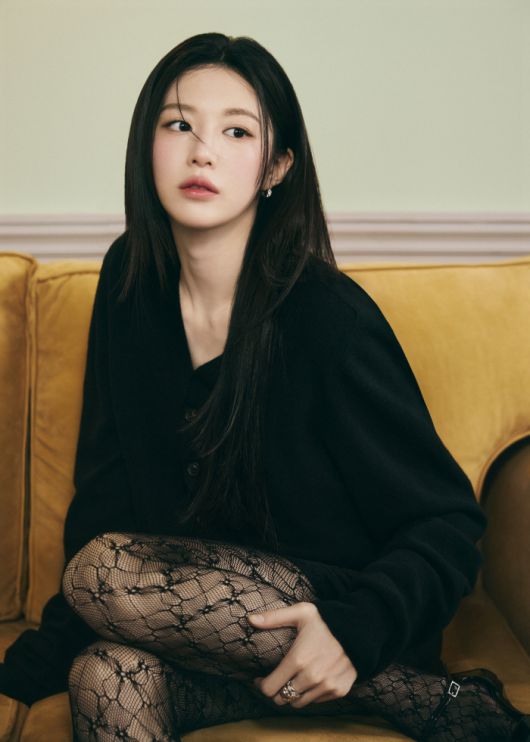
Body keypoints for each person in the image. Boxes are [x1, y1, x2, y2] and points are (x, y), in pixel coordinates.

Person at [1, 32, 529, 742]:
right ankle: (413, 698)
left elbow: (447, 523)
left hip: (339, 623)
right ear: (146, 145)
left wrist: (355, 632)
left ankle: (411, 688)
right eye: (178, 124)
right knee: (103, 673)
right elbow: (107, 492)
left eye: (237, 132)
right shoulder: (131, 284)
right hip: (205, 640)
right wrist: (21, 673)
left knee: (99, 571)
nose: (202, 152)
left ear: (276, 167)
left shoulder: (328, 319)